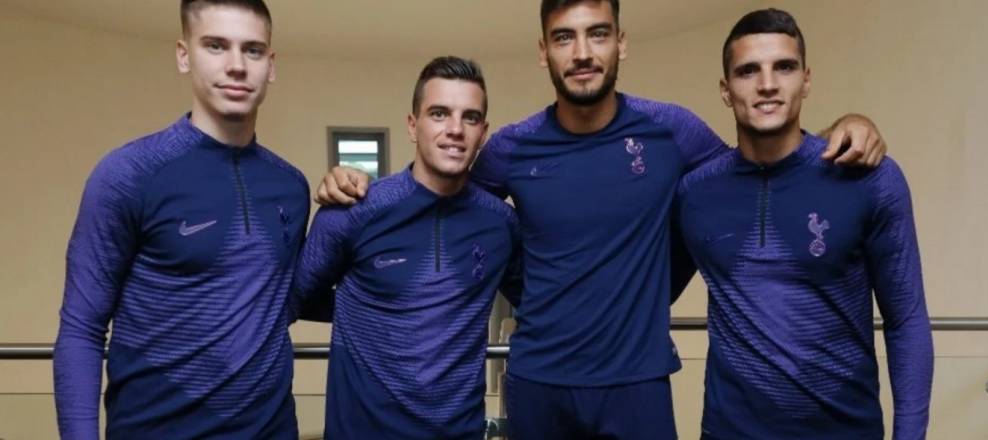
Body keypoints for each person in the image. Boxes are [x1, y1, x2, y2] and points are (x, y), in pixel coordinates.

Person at [317, 1, 890, 438]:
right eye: (564, 37)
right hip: (538, 380)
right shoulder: (510, 147)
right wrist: (357, 188)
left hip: (637, 381)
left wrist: (844, 126)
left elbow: (756, 169)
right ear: (544, 51)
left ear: (621, 42)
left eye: (597, 33)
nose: (582, 52)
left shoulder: (671, 130)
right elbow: (441, 197)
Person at [54, 1, 310, 439]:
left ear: (270, 66)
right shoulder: (128, 174)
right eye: (216, 45)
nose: (236, 65)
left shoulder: (290, 185)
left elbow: (299, 290)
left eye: (251, 50)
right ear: (184, 55)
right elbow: (81, 327)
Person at [676, 8, 933, 440]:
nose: (767, 84)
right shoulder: (695, 192)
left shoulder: (870, 178)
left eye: (784, 67)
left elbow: (906, 320)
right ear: (725, 89)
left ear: (806, 80)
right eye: (748, 71)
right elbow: (648, 290)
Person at [290, 56, 523, 440]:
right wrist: (371, 311)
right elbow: (294, 298)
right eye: (439, 113)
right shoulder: (353, 211)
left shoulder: (501, 223)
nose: (455, 130)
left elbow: (539, 302)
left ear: (483, 133)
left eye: (469, 117)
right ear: (413, 126)